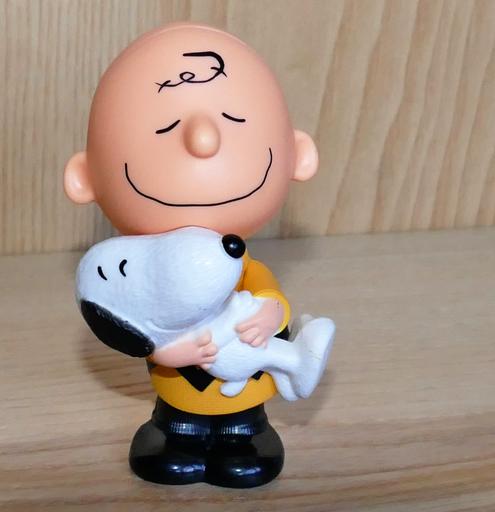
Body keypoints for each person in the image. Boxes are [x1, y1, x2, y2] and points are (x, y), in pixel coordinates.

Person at [64, 22, 319, 488]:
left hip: (245, 389)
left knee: (242, 428)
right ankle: (177, 435)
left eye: (234, 120)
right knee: (178, 428)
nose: (203, 140)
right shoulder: (135, 275)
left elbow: (269, 296)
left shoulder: (243, 268)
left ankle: (243, 435)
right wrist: (167, 350)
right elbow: (132, 326)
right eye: (163, 129)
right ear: (85, 177)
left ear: (297, 154)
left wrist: (269, 314)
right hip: (178, 392)